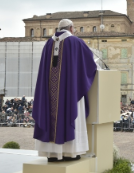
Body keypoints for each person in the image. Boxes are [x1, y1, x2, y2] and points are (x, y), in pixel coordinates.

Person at [32, 19, 97, 162]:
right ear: (71, 28)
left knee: (51, 116)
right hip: (69, 91)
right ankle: (70, 153)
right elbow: (89, 63)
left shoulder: (48, 44)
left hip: (49, 94)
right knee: (70, 115)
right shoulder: (76, 42)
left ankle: (52, 154)